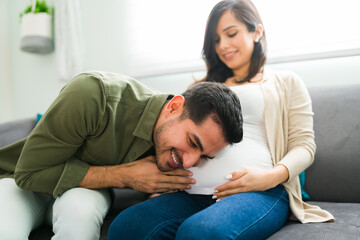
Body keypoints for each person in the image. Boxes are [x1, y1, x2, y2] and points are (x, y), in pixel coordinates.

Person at [108, 0, 335, 239]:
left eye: (231, 34)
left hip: (258, 192)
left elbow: (305, 146)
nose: (223, 45)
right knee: (126, 226)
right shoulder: (200, 89)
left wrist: (270, 178)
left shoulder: (286, 82)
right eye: (216, 40)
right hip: (189, 194)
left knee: (200, 232)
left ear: (256, 31)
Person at [0, 71, 243, 240]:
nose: (190, 161)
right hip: (22, 179)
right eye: (192, 142)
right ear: (173, 107)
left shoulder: (176, 155)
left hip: (86, 191)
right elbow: (28, 173)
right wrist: (125, 176)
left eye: (204, 156)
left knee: (79, 222)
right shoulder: (93, 94)